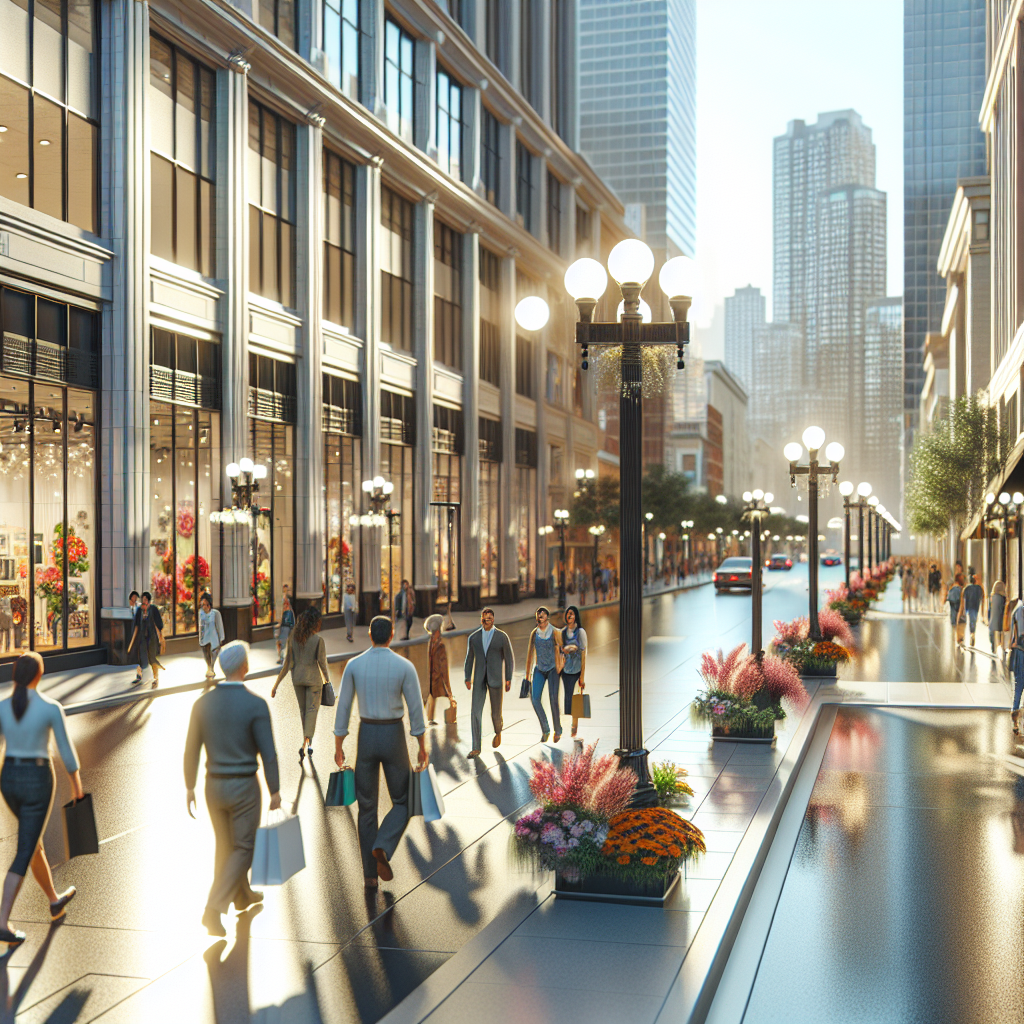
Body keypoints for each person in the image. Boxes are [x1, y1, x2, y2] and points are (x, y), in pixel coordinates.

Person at [184, 641, 281, 937]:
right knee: (243, 847)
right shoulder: (256, 704)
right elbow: (269, 753)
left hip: (212, 786)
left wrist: (189, 787)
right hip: (244, 787)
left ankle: (243, 895)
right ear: (245, 667)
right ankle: (213, 909)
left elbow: (191, 750)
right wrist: (275, 789)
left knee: (225, 846)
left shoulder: (202, 703)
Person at [334, 616, 427, 889]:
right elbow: (416, 709)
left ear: (371, 635)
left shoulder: (354, 665)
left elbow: (343, 708)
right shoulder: (404, 666)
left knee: (366, 807)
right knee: (405, 799)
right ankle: (383, 847)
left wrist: (339, 745)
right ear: (390, 637)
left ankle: (369, 876)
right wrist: (422, 745)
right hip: (393, 735)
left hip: (366, 736)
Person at [0, 653, 81, 949]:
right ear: (40, 674)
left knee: (33, 843)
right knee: (25, 848)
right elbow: (66, 752)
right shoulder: (50, 708)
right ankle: (2, 922)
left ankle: (54, 900)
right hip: (37, 779)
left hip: (7, 778)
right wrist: (77, 786)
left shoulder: (2, 707)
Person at [272, 606, 329, 763]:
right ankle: (306, 743)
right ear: (314, 623)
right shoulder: (318, 641)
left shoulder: (293, 638)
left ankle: (307, 742)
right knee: (312, 711)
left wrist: (276, 685)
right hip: (314, 680)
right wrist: (327, 680)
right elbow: (322, 663)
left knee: (303, 711)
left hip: (297, 678)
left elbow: (287, 663)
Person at [464, 607, 515, 757]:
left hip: (496, 679)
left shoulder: (501, 637)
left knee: (495, 713)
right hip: (479, 678)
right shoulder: (473, 638)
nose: (487, 621)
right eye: (484, 618)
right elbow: (469, 659)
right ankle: (476, 747)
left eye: (489, 619)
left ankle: (498, 731)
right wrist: (467, 677)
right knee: (475, 712)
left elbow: (509, 659)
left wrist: (508, 678)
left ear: (493, 620)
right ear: (481, 619)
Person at [524, 607, 564, 743]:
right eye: (537, 616)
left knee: (553, 700)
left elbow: (563, 650)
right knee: (535, 699)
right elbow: (530, 655)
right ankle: (545, 729)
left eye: (541, 615)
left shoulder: (555, 632)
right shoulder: (534, 634)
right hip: (539, 669)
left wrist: (562, 666)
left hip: (553, 669)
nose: (539, 618)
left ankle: (558, 730)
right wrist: (527, 675)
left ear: (547, 617)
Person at [558, 605, 588, 740]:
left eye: (572, 614)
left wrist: (582, 675)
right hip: (566, 670)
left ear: (576, 616)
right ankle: (570, 722)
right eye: (568, 614)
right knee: (568, 699)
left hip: (576, 670)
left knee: (576, 699)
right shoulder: (563, 632)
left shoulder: (580, 632)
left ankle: (574, 725)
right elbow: (559, 650)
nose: (569, 616)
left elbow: (583, 653)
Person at [128, 591, 165, 686]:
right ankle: (139, 676)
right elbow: (136, 624)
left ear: (148, 600)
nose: (144, 601)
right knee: (140, 657)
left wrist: (161, 637)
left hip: (151, 638)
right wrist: (133, 639)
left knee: (152, 658)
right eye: (142, 599)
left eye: (145, 599)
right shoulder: (140, 610)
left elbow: (159, 624)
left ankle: (156, 678)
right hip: (142, 638)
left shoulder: (153, 609)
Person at [424, 613, 455, 725]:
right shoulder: (440, 645)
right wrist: (447, 683)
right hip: (437, 677)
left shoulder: (431, 642)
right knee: (444, 695)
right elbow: (443, 666)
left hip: (434, 677)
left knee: (433, 696)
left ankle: (430, 717)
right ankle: (450, 715)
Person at [198, 593, 225, 682]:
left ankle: (211, 669)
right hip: (205, 639)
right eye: (202, 605)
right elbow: (200, 626)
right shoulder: (201, 613)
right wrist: (200, 638)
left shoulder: (215, 613)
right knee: (206, 656)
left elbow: (219, 626)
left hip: (214, 639)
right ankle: (209, 669)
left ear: (209, 605)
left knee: (213, 655)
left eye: (205, 604)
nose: (203, 607)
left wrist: (221, 638)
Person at [958, 573, 985, 647]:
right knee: (974, 620)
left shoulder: (967, 588)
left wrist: (962, 610)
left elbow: (963, 599)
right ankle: (972, 634)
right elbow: (983, 597)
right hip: (976, 607)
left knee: (971, 620)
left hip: (969, 607)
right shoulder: (979, 588)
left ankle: (972, 634)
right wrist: (982, 611)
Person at [276, 595, 295, 664]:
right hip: (284, 628)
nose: (284, 604)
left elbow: (290, 622)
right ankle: (282, 658)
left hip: (286, 628)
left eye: (285, 602)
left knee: (282, 644)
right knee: (281, 644)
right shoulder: (286, 612)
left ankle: (282, 658)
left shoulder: (288, 612)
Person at [990, 580, 1008, 655]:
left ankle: (993, 647)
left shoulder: (992, 597)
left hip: (993, 617)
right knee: (1002, 632)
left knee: (992, 632)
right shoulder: (1003, 598)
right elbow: (1004, 609)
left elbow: (989, 609)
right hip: (1000, 617)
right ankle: (1002, 646)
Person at [947, 573, 964, 643]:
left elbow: (950, 599)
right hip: (958, 614)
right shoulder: (958, 590)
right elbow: (958, 601)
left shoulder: (952, 589)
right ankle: (958, 639)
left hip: (954, 614)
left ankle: (957, 639)